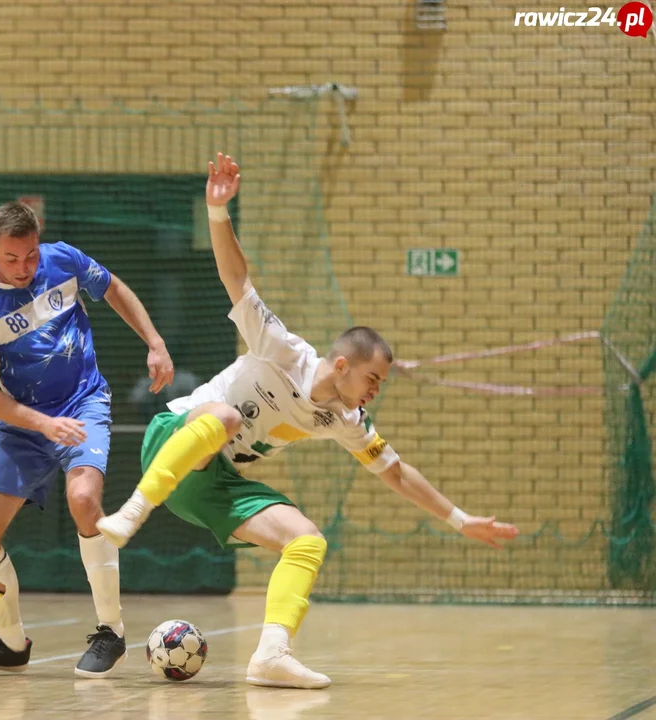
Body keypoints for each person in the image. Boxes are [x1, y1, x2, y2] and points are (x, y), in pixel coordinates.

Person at [97, 154, 520, 688]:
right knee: (226, 415)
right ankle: (132, 512)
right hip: (176, 438)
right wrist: (217, 211)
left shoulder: (346, 420)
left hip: (212, 482)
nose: (374, 391)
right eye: (372, 379)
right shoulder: (282, 348)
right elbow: (236, 277)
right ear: (342, 365)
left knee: (307, 541)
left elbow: (396, 472)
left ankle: (271, 654)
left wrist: (461, 520)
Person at [0, 201, 174, 679]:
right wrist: (40, 424)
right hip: (23, 421)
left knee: (84, 498)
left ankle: (110, 632)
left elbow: (113, 287)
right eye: (11, 259)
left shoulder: (63, 260)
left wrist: (154, 342)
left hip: (82, 402)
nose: (24, 268)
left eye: (30, 255)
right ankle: (10, 643)